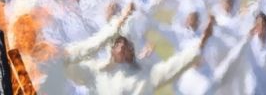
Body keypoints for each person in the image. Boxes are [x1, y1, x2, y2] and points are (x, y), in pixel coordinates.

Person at [65, 13, 216, 94]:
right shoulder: (95, 70)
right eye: (118, 43)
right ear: (111, 49)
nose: (122, 46)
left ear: (132, 51)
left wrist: (201, 43)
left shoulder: (142, 77)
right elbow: (66, 63)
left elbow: (172, 68)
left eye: (125, 44)